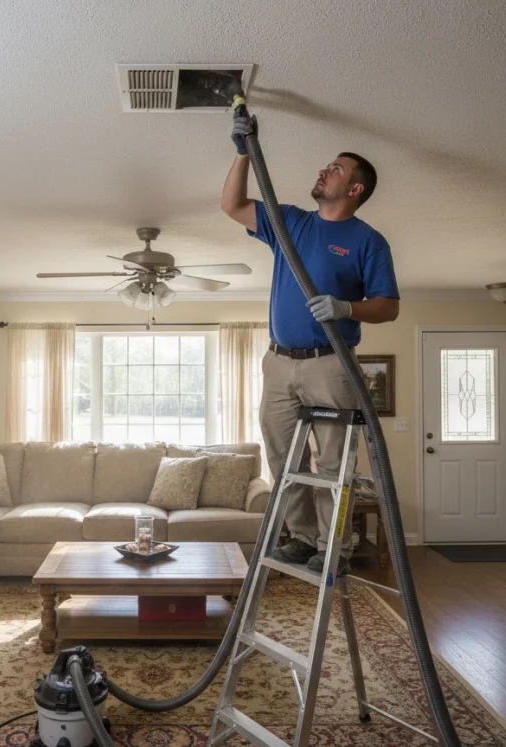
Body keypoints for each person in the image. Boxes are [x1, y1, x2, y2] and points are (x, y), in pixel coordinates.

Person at [221, 111, 400, 572]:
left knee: (335, 463)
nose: (324, 170)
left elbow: (388, 305)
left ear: (355, 189)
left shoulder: (368, 242)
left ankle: (334, 547)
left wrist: (346, 308)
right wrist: (242, 153)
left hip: (330, 364)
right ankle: (301, 537)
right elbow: (232, 204)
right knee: (283, 456)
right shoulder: (292, 223)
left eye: (336, 168)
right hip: (279, 362)